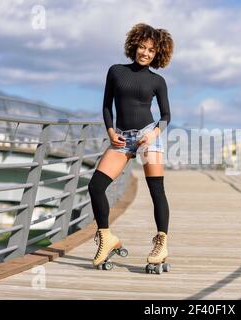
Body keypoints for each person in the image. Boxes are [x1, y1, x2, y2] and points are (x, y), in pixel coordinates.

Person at [87, 23, 173, 272]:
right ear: (134, 45)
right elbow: (106, 106)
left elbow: (166, 115)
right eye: (142, 47)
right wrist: (111, 132)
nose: (145, 53)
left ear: (158, 54)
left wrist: (154, 134)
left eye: (151, 50)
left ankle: (161, 243)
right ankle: (106, 238)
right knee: (96, 187)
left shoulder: (158, 81)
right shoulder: (116, 71)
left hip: (148, 135)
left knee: (156, 190)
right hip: (121, 138)